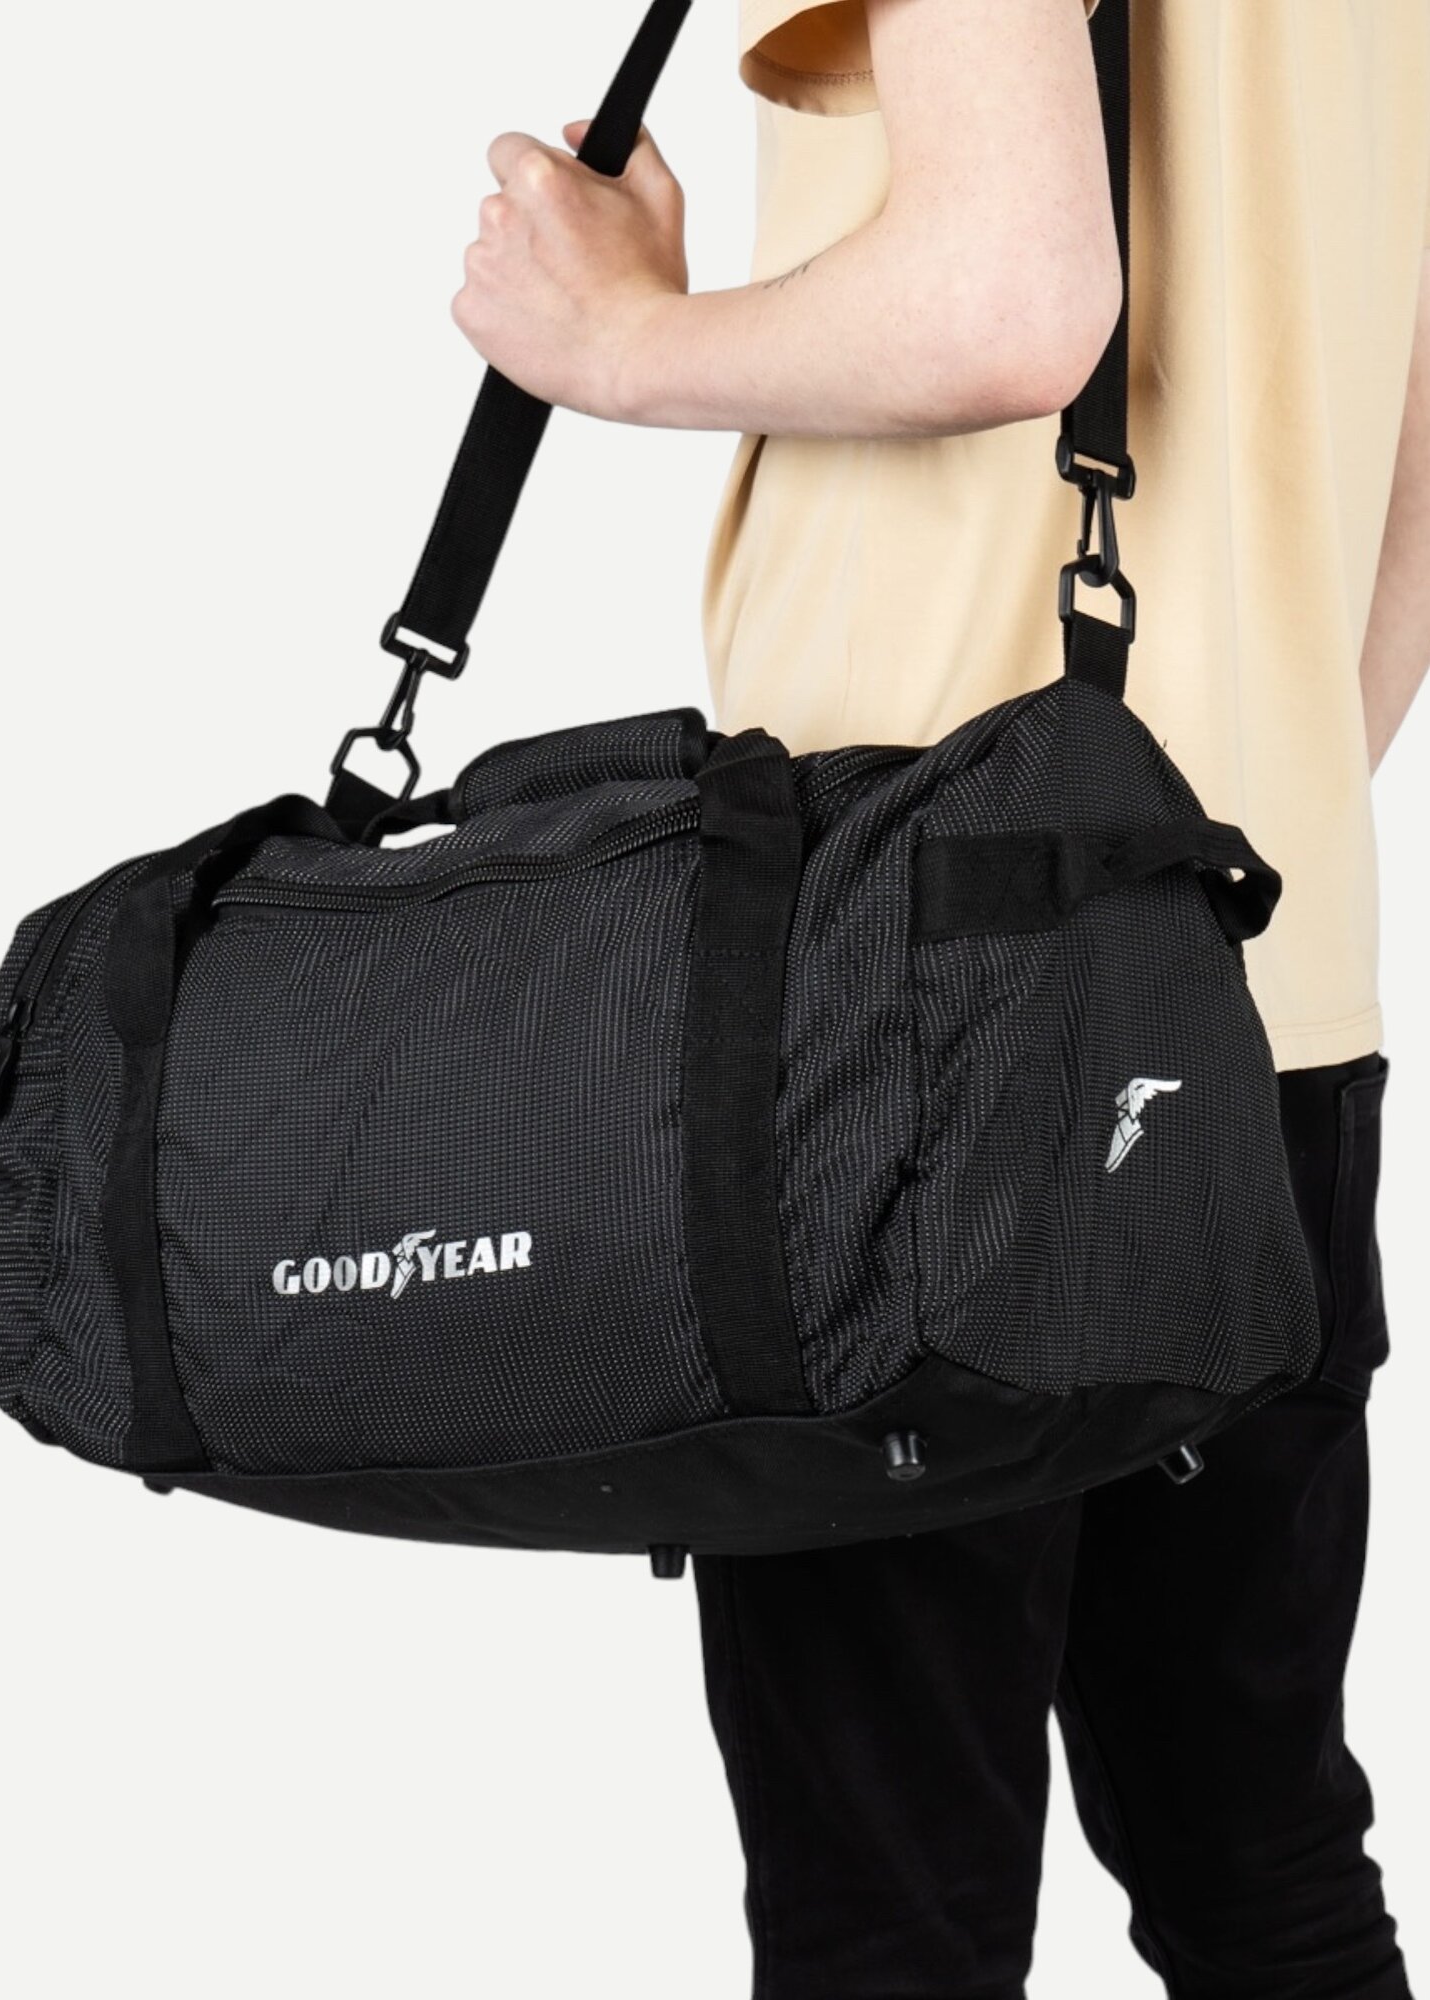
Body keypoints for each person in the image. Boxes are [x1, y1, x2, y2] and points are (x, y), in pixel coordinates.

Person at [451, 0, 1430, 1992]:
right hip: (1259, 974)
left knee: (888, 1923)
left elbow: (1012, 300)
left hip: (893, 995)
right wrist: (1262, 822)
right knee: (1262, 1862)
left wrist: (612, 334)